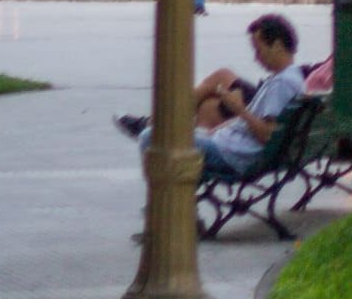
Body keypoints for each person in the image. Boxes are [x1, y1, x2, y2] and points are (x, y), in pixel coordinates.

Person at [116, 14, 305, 179]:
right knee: (197, 117)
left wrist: (238, 109)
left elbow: (267, 135)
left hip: (233, 155)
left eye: (259, 50)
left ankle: (164, 198)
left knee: (150, 137)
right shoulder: (289, 77)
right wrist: (216, 130)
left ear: (278, 46)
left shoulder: (282, 83)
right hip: (228, 145)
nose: (256, 58)